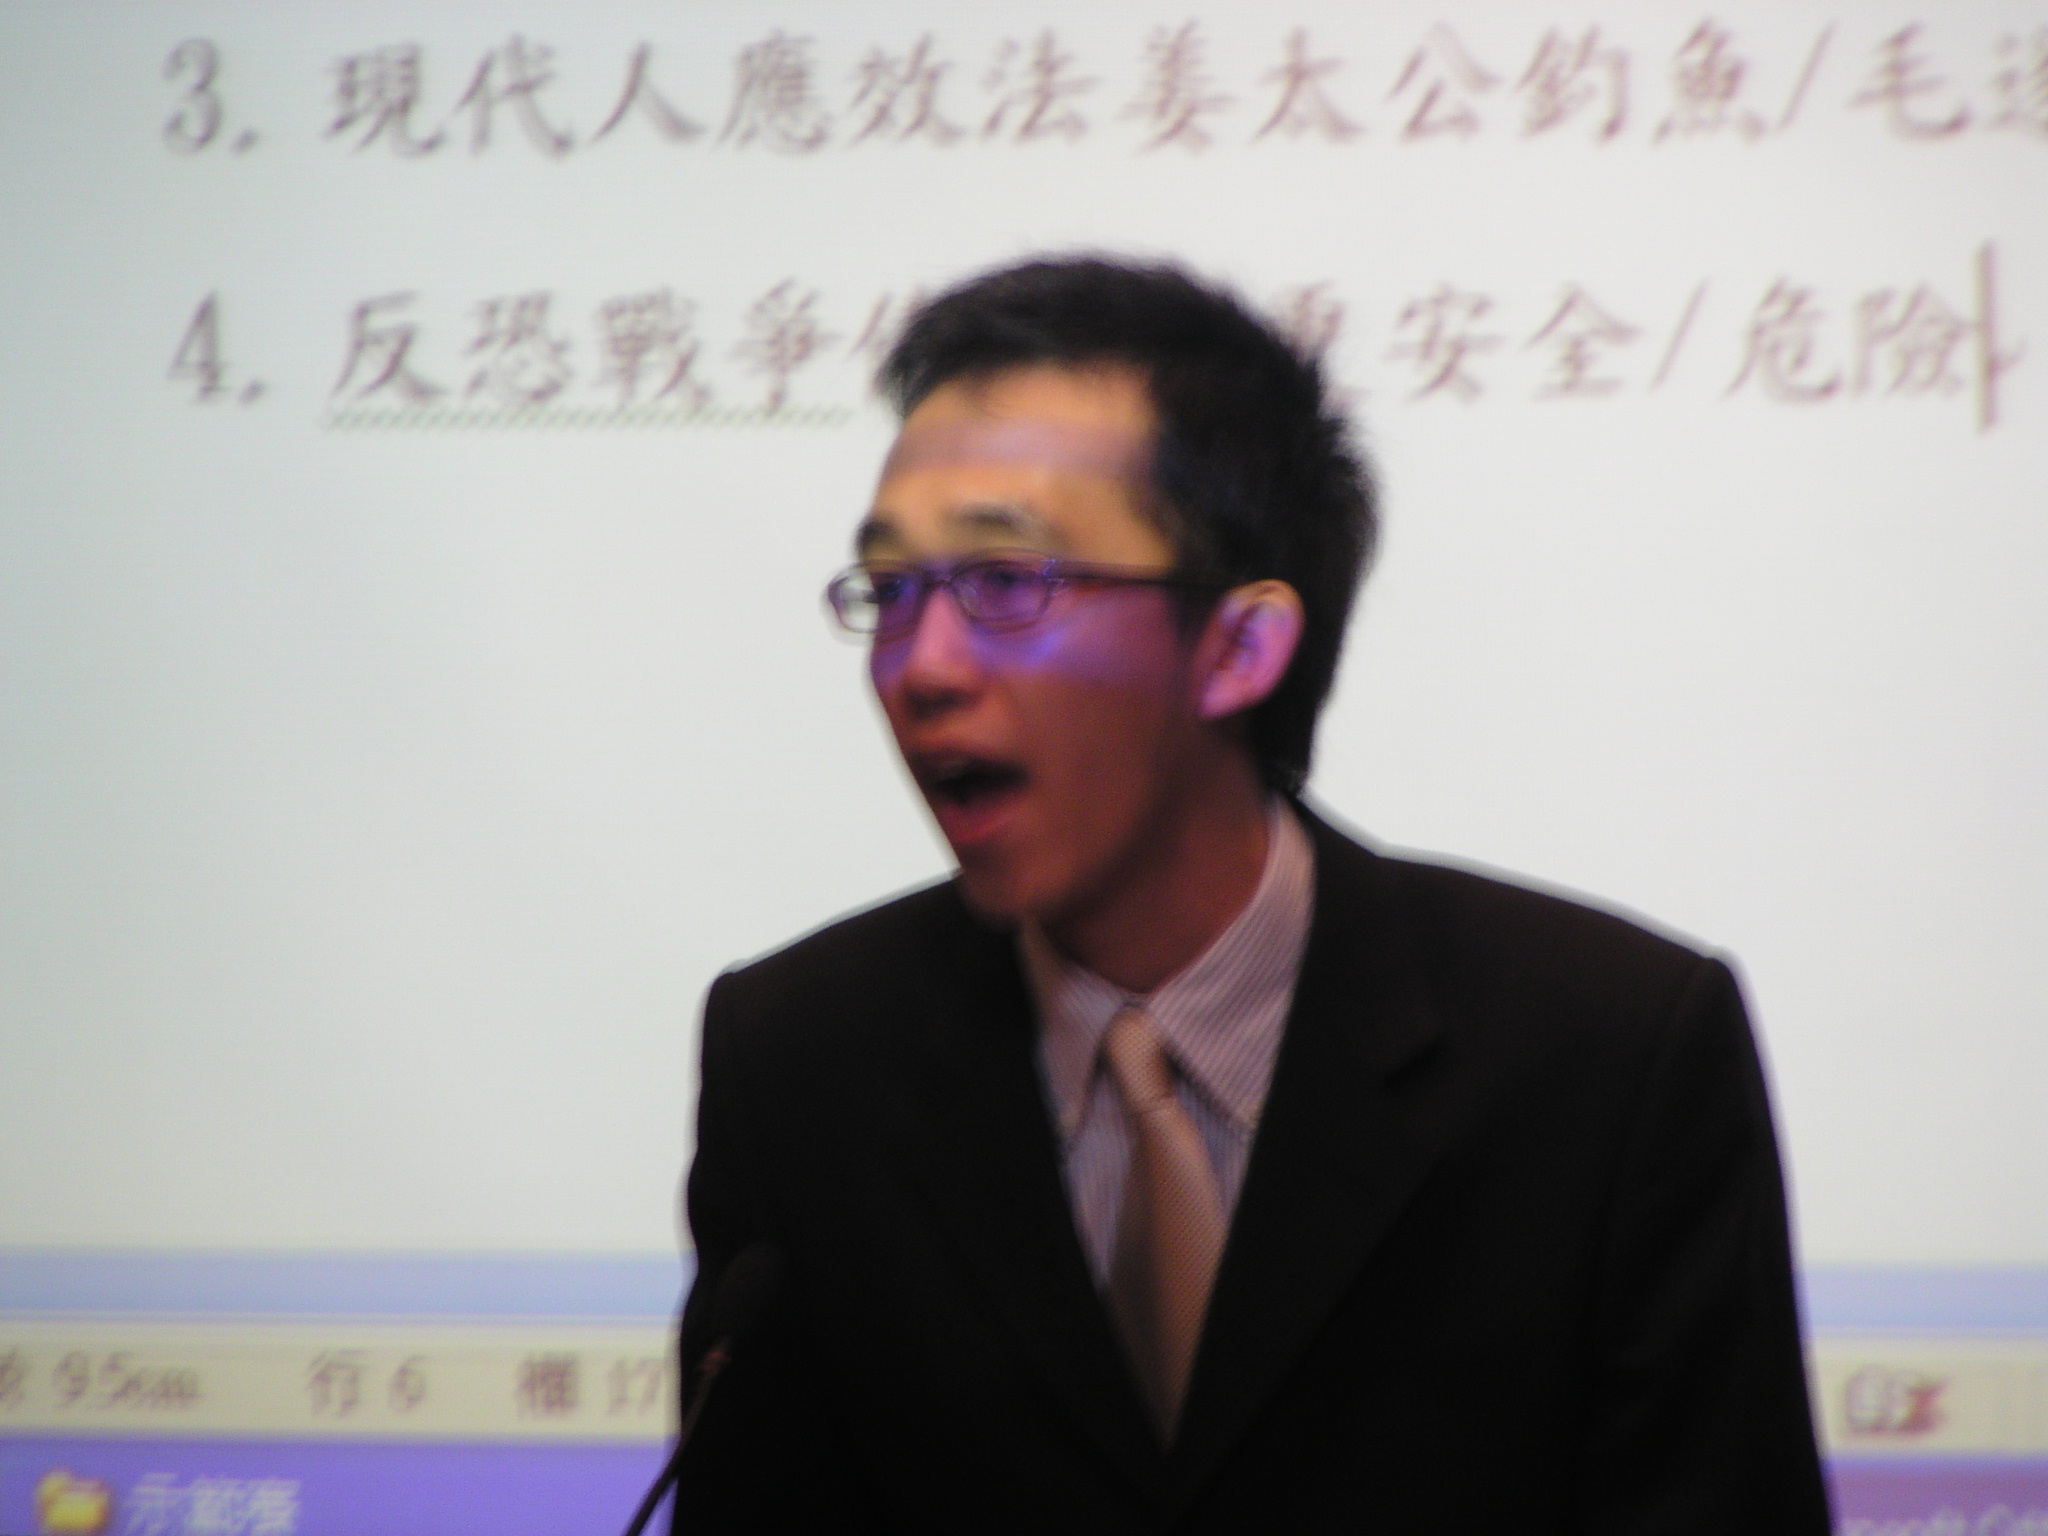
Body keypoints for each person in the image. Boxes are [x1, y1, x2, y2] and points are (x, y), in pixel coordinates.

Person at [674, 256, 1830, 1533]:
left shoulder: (1609, 1057)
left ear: (1238, 646)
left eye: (1005, 584)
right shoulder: (801, 1062)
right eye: (891, 591)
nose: (919, 666)